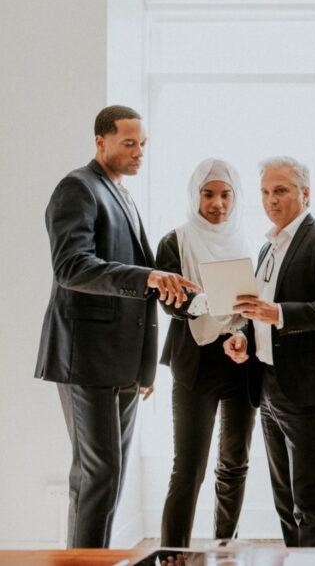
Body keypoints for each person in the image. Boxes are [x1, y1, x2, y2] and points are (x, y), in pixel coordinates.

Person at [35, 105, 198, 548]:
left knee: (102, 475)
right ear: (100, 142)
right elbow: (71, 266)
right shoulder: (78, 188)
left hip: (121, 366)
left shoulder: (119, 192)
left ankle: (85, 559)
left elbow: (139, 286)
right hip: (86, 358)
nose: (139, 152)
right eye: (129, 143)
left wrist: (144, 367)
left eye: (143, 144)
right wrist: (146, 277)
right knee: (99, 474)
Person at [224, 156, 315, 547]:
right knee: (284, 499)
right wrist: (245, 337)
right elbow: (260, 312)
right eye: (265, 191)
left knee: (309, 500)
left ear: (305, 193)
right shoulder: (268, 247)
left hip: (308, 387)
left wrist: (277, 313)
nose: (271, 200)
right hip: (266, 383)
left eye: (280, 190)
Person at [156, 158, 256, 547]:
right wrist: (208, 301)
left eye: (226, 194)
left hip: (240, 360)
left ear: (236, 197)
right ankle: (172, 552)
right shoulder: (175, 241)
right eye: (209, 194)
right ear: (194, 195)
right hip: (194, 363)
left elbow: (257, 305)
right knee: (189, 468)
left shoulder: (250, 241)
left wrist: (240, 329)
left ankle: (224, 547)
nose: (218, 203)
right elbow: (167, 300)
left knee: (234, 464)